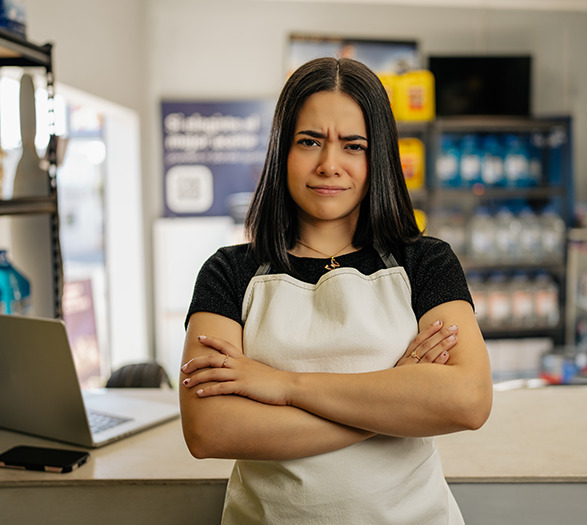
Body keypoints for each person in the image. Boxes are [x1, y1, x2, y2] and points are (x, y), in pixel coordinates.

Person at [180, 56, 492, 524]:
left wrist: (284, 386)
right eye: (310, 142)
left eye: (353, 145)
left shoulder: (426, 262)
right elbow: (209, 430)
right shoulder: (229, 272)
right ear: (282, 150)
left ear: (378, 156)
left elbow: (467, 400)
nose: (330, 164)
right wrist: (394, 402)